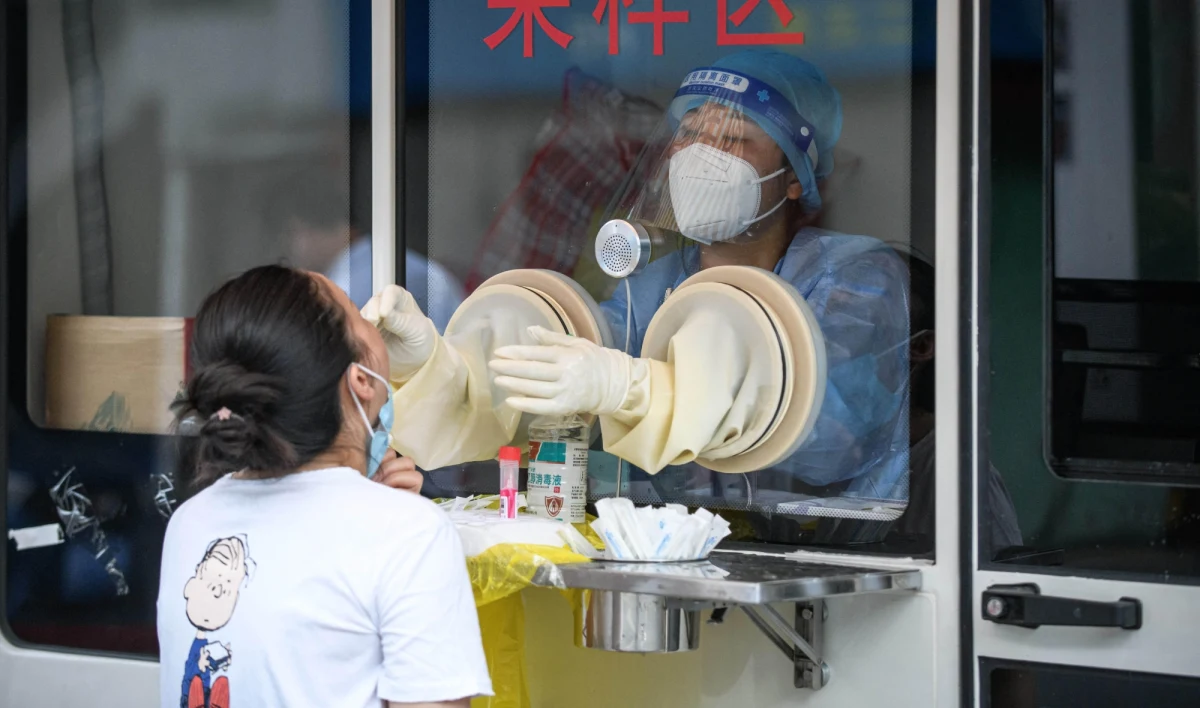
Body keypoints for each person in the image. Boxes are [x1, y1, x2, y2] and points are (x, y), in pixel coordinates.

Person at [488, 50, 911, 506]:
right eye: (689, 133)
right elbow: (590, 348)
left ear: (793, 177)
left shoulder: (856, 276)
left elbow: (830, 440)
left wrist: (631, 387)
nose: (702, 155)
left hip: (820, 546)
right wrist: (458, 362)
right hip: (673, 539)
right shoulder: (655, 282)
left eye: (734, 138)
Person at [158, 265, 491, 708]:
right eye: (358, 314)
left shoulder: (190, 524)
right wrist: (386, 519)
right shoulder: (409, 535)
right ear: (360, 381)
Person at [267, 172, 466, 332]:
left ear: (309, 227)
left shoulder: (361, 280)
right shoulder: (369, 265)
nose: (289, 247)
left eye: (291, 233)